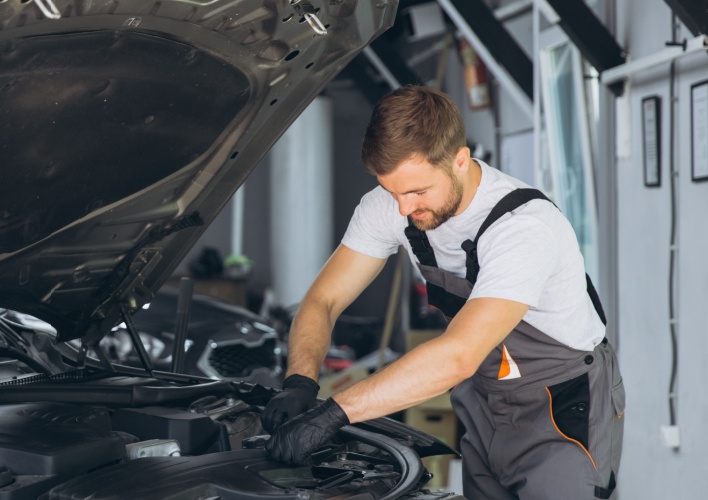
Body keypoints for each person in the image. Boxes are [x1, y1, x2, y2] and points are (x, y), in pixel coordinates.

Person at [263, 86, 623, 499]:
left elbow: (457, 356)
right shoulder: (391, 205)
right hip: (485, 401)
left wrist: (334, 412)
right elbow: (323, 299)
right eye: (392, 191)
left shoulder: (523, 228)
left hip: (560, 407)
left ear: (460, 160)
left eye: (417, 192)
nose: (402, 208)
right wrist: (300, 382)